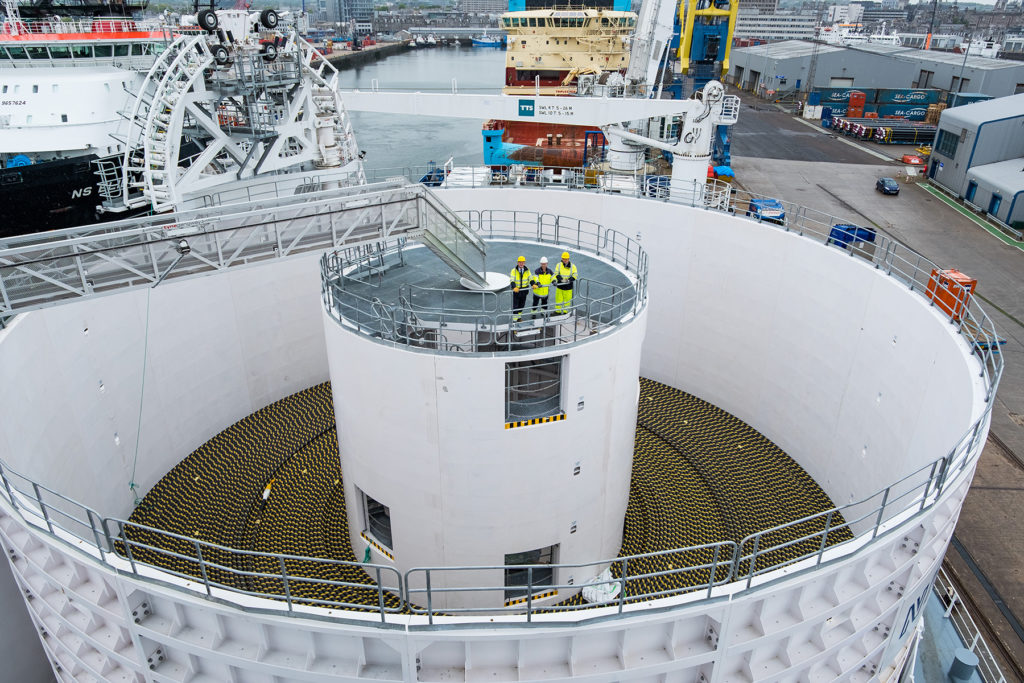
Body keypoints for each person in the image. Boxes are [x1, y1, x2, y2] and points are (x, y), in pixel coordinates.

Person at [509, 255, 533, 322]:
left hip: (524, 291)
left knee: (522, 305)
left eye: (522, 262)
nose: (521, 264)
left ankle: (519, 318)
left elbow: (530, 278)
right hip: (517, 291)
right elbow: (512, 280)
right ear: (517, 263)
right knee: (515, 306)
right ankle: (514, 320)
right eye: (520, 262)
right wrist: (514, 287)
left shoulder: (527, 270)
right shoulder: (513, 271)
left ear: (524, 263)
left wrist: (533, 284)